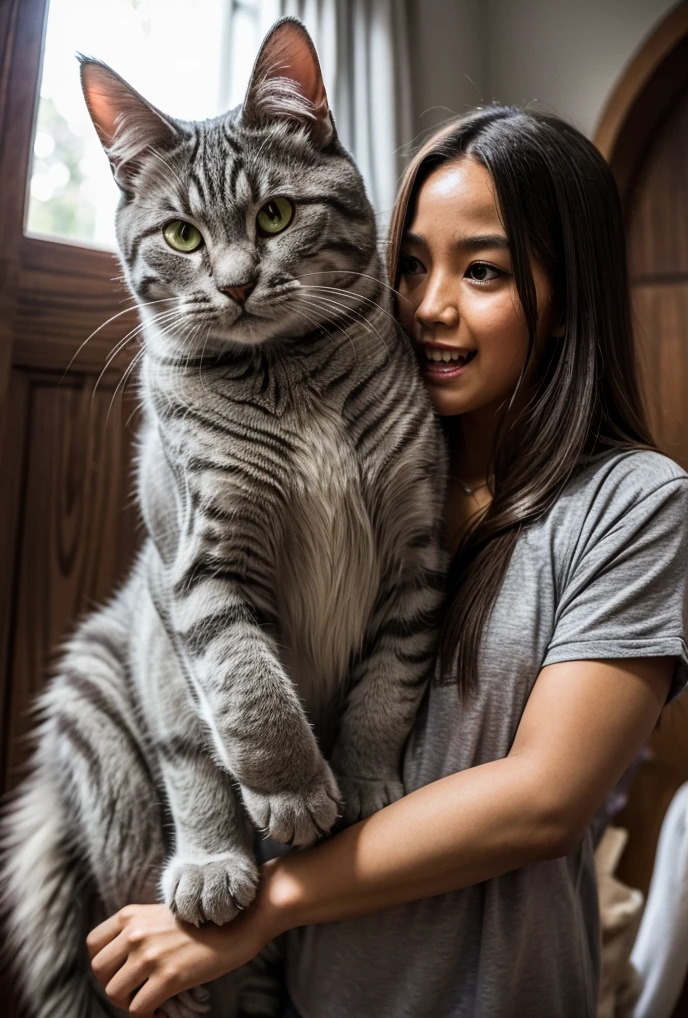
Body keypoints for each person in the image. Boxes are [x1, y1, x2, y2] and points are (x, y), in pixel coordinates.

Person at [85, 106, 688, 1018]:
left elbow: (545, 802)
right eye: (409, 265)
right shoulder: (332, 460)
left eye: (481, 270)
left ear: (570, 296)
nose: (428, 306)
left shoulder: (637, 503)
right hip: (310, 988)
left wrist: (267, 908)